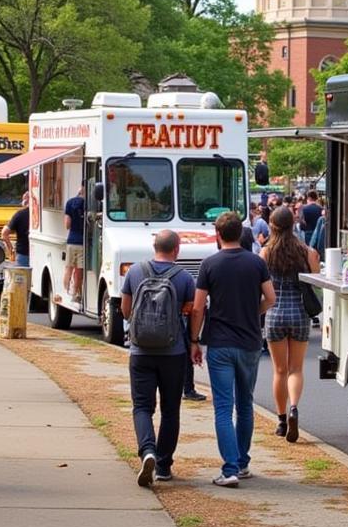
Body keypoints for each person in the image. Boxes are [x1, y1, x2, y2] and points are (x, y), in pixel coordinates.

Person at [189, 211, 275, 487]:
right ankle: (243, 461)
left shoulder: (209, 265)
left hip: (220, 342)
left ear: (218, 235)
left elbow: (199, 306)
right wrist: (254, 310)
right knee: (245, 404)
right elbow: (270, 298)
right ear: (241, 234)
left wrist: (194, 339)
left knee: (223, 408)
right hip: (249, 341)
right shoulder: (256, 263)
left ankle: (229, 469)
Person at [120, 229, 196, 486]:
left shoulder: (134, 271)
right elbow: (191, 311)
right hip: (173, 353)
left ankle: (147, 450)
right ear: (177, 249)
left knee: (142, 407)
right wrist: (194, 341)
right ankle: (163, 466)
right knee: (170, 410)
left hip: (140, 352)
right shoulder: (184, 277)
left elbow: (125, 310)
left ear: (155, 247)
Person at [262, 205, 320, 443]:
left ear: (271, 226)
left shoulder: (265, 253)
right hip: (299, 313)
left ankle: (282, 419)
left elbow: (260, 284)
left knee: (279, 370)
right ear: (294, 223)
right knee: (296, 369)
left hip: (274, 313)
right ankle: (295, 407)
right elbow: (315, 279)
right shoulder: (307, 251)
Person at [63, 185, 85, 301]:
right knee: (79, 270)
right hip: (83, 242)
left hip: (71, 240)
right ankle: (76, 294)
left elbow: (67, 224)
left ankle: (65, 291)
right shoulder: (89, 205)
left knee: (69, 267)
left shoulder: (69, 203)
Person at [2, 192, 31, 267]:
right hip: (40, 253)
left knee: (22, 277)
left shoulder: (19, 215)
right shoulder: (40, 215)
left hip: (23, 254)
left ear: (24, 202)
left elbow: (4, 233)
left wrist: (11, 250)